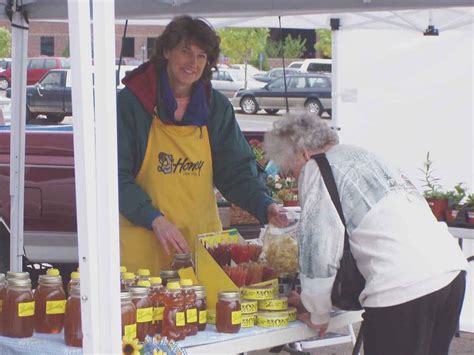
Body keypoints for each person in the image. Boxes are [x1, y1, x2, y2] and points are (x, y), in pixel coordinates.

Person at [264, 113, 468, 355]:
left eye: (291, 170)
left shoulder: (317, 168)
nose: (294, 178)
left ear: (303, 153)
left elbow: (319, 249)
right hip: (449, 272)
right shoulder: (365, 156)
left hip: (401, 287)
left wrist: (317, 313)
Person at [117, 15, 286, 274]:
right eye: (185, 52)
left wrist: (266, 205)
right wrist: (154, 219)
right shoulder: (132, 103)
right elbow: (115, 177)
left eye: (201, 56)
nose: (193, 63)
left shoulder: (215, 106)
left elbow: (235, 172)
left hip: (199, 243)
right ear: (166, 51)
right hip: (144, 245)